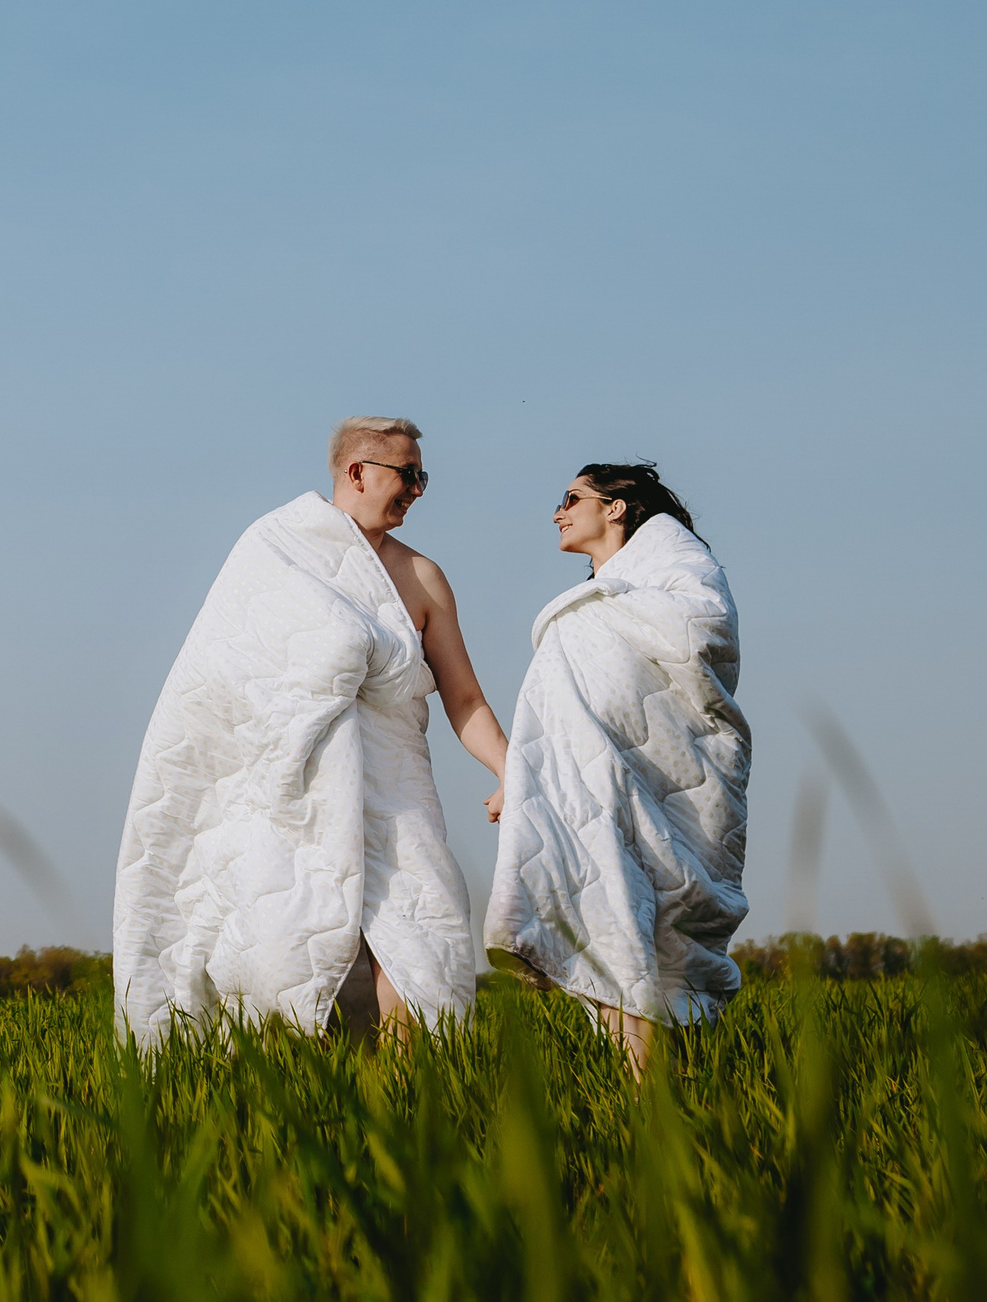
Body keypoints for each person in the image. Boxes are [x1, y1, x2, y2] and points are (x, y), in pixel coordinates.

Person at [113, 417, 511, 1045]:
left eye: (423, 477)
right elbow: (219, 687)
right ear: (358, 472)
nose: (417, 490)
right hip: (289, 794)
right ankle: (314, 1096)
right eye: (408, 475)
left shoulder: (423, 577)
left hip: (398, 794)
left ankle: (414, 1099)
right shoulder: (274, 550)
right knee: (286, 958)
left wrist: (511, 772)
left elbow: (465, 697)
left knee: (424, 950)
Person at [485, 463, 751, 1071]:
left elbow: (704, 629)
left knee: (656, 933)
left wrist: (603, 612)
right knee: (609, 918)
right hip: (595, 785)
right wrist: (524, 779)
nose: (558, 511)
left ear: (616, 507)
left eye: (572, 497)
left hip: (671, 781)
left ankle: (658, 1098)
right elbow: (559, 717)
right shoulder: (592, 606)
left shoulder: (673, 569)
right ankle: (642, 1097)